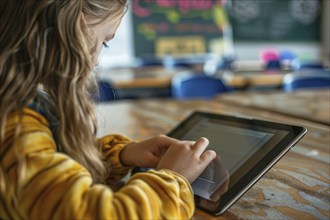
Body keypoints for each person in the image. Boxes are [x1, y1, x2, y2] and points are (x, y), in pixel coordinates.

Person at [0, 0, 217, 219]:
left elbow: (46, 163)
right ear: (74, 27)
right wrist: (173, 179)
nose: (95, 61)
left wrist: (121, 155)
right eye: (104, 42)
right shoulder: (15, 122)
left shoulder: (15, 111)